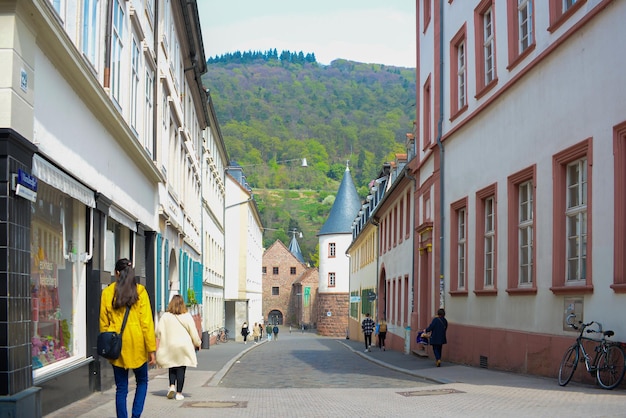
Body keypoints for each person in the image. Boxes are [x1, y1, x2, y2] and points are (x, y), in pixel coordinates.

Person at [100, 258, 156, 418]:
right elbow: (146, 323)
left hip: (117, 345)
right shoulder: (140, 292)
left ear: (117, 273)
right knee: (142, 381)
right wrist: (151, 349)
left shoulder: (107, 293)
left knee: (121, 388)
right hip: (137, 345)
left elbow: (103, 323)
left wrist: (108, 343)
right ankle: (136, 414)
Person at [155, 294, 201, 401]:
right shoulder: (187, 316)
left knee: (171, 366)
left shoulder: (165, 316)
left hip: (170, 346)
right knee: (181, 369)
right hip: (183, 347)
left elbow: (158, 332)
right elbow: (193, 332)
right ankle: (179, 393)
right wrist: (198, 342)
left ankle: (171, 386)